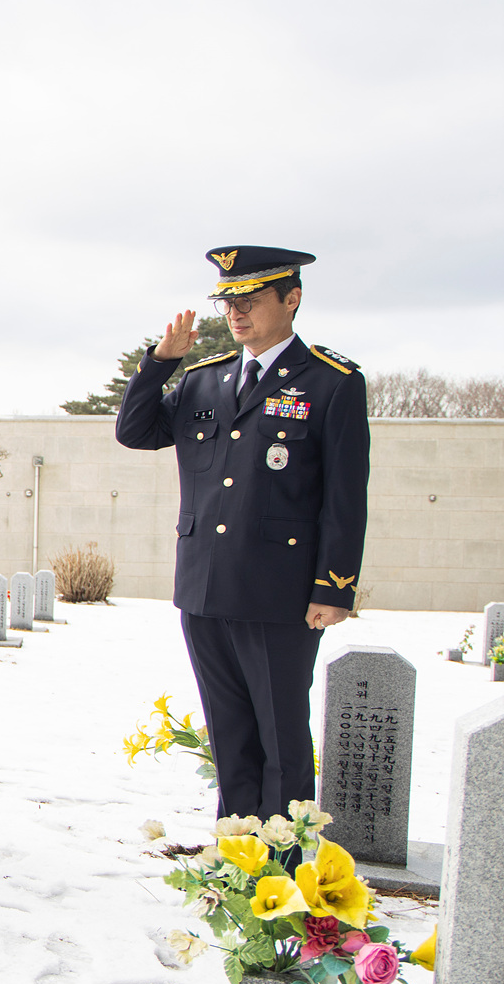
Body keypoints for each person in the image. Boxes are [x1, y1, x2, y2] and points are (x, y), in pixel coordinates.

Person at [116, 246, 369, 823]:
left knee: (281, 737)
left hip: (280, 592)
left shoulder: (330, 382)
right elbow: (136, 432)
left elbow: (344, 496)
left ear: (292, 299)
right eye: (228, 303)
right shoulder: (204, 380)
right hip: (204, 586)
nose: (236, 313)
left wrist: (334, 587)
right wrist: (159, 363)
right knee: (228, 733)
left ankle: (284, 859)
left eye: (250, 301)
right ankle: (237, 851)